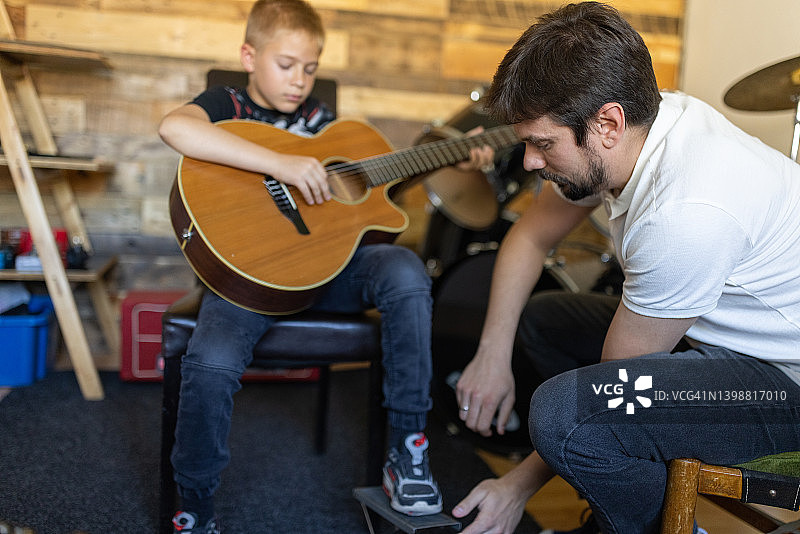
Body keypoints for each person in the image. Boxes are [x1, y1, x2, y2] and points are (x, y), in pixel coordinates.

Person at [450, 2, 800, 533]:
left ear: (607, 123)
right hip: (733, 348)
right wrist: (491, 356)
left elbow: (614, 388)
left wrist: (514, 487)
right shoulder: (646, 125)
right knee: (546, 321)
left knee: (566, 416)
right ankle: (632, 487)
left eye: (543, 144)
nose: (530, 163)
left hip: (784, 390)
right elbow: (530, 235)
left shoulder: (684, 212)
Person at [158, 1, 494, 532]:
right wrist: (280, 163)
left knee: (404, 268)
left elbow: (364, 204)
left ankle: (407, 452)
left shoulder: (325, 124)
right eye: (285, 65)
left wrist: (451, 159)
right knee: (211, 363)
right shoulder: (227, 103)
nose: (299, 81)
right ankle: (194, 506)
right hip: (248, 277)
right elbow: (175, 129)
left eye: (310, 68)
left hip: (330, 273)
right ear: (249, 56)